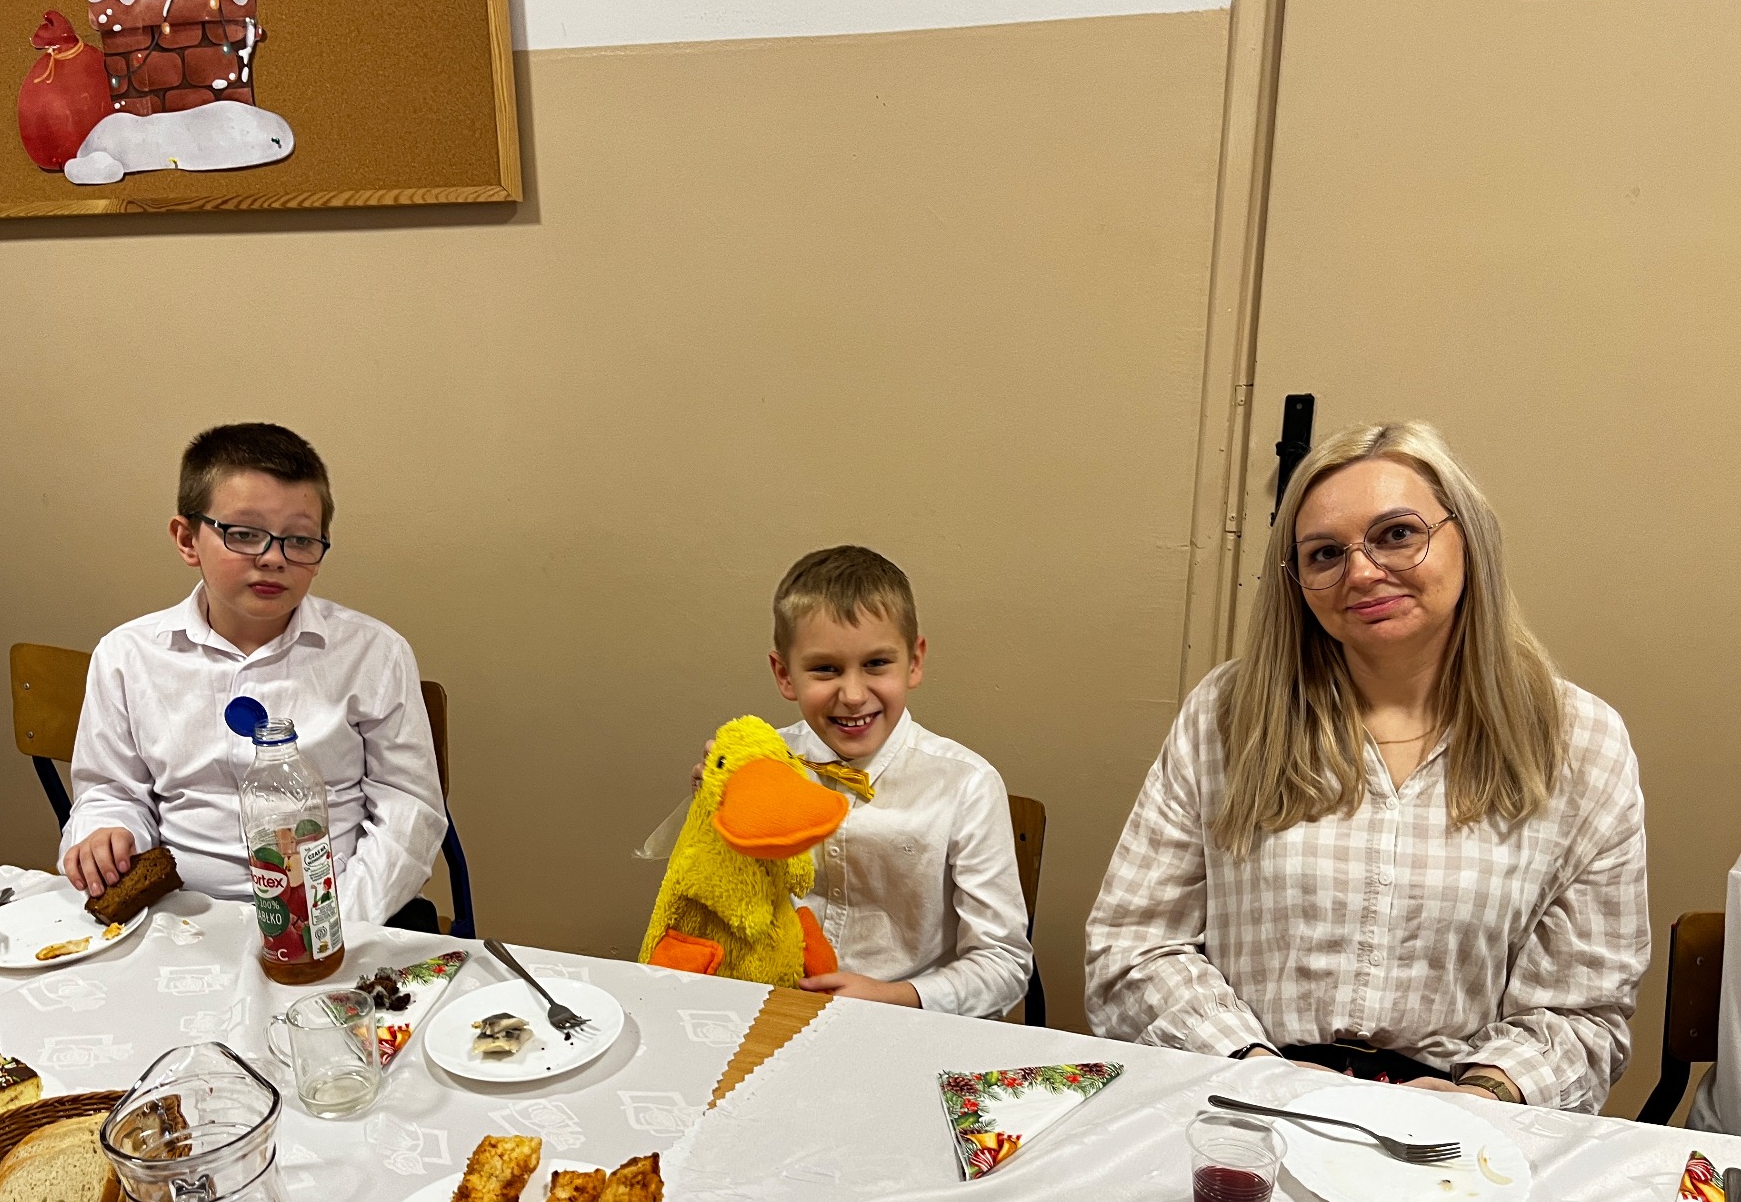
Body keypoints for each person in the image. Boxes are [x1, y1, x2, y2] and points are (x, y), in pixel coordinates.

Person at [1084, 422, 1648, 1112]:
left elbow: (1584, 1012)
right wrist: (1255, 1072)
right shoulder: (1229, 715)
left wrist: (1485, 1095)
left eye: (1397, 534)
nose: (1361, 572)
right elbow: (1134, 947)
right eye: (1325, 553)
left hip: (1459, 1125)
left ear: (1467, 538)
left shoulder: (1579, 743)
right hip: (1245, 1099)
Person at [60, 423, 448, 930]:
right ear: (187, 539)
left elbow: (409, 811)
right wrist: (106, 829)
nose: (273, 558)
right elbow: (111, 790)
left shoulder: (374, 653)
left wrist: (331, 921)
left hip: (339, 909)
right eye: (243, 534)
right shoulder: (127, 655)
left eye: (300, 540)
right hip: (181, 916)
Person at [690, 545, 1033, 1015]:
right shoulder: (762, 766)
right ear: (784, 674)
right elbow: (716, 902)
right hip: (771, 1006)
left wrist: (897, 996)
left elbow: (1004, 964)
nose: (852, 695)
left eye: (876, 664)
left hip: (907, 1017)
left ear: (914, 662)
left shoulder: (967, 785)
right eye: (825, 669)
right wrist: (714, 810)